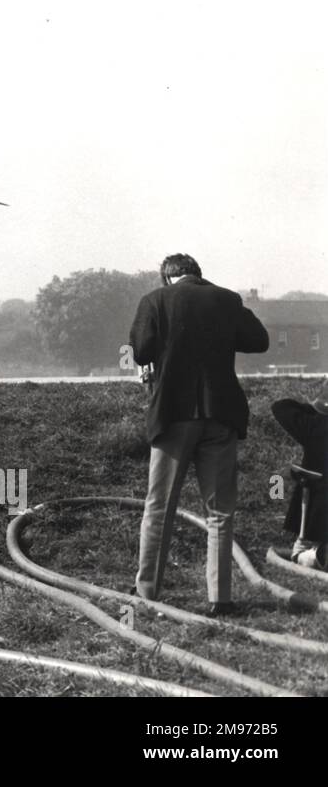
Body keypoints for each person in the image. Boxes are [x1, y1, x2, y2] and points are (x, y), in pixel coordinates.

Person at [129, 253, 269, 615]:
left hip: (173, 417)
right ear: (198, 275)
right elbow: (259, 340)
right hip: (221, 415)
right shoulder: (226, 298)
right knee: (220, 511)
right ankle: (220, 598)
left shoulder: (154, 300)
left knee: (159, 505)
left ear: (166, 278)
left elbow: (141, 350)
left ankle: (147, 592)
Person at [271, 381, 328, 570]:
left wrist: (314, 408)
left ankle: (312, 556)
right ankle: (316, 555)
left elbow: (280, 406)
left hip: (317, 514)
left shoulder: (314, 425)